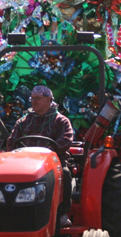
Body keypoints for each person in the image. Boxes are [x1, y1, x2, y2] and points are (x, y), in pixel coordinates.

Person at [7, 85, 74, 225]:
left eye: (38, 98)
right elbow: (12, 142)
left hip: (53, 162)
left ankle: (62, 213)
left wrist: (48, 151)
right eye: (32, 98)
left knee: (66, 174)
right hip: (25, 163)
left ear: (49, 100)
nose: (34, 101)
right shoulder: (23, 122)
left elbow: (65, 141)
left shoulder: (61, 121)